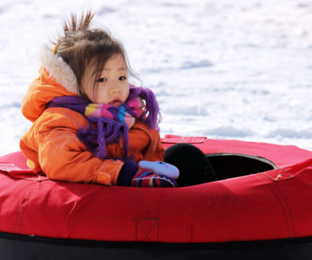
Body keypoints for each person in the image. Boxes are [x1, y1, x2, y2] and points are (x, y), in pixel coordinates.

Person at [19, 11, 217, 188]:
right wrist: (123, 174)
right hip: (105, 190)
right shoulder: (60, 121)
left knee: (185, 154)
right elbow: (62, 163)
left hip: (139, 183)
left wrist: (153, 169)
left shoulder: (127, 112)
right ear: (73, 85)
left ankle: (221, 208)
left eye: (121, 77)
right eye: (102, 79)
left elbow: (151, 148)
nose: (116, 87)